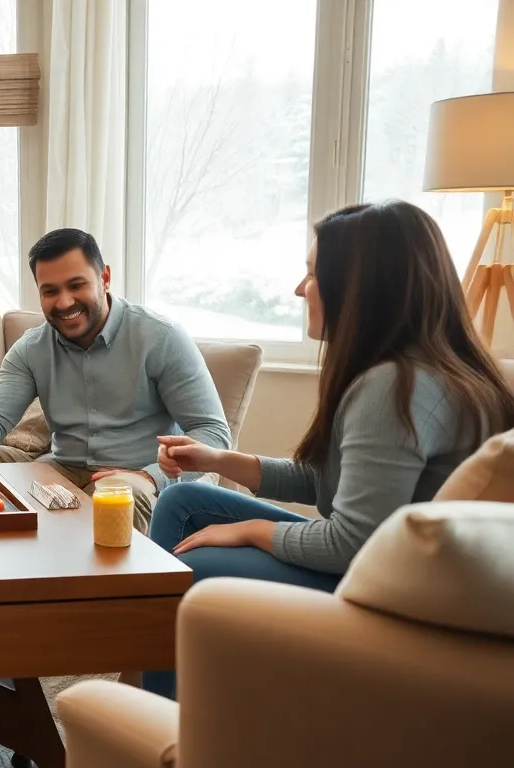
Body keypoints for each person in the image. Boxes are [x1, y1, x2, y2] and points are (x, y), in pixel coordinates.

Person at [140, 200, 514, 700]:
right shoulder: (438, 371)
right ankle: (159, 684)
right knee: (182, 502)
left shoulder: (393, 387)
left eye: (313, 274)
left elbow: (351, 543)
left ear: (360, 287)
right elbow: (330, 482)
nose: (300, 289)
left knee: (184, 577)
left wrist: (251, 531)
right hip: (391, 563)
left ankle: (164, 703)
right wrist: (215, 459)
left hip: (379, 588)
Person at [0, 228, 231, 533]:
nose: (64, 302)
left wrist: (153, 476)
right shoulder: (32, 347)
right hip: (61, 469)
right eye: (50, 291)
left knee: (118, 495)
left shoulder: (161, 337)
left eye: (76, 285)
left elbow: (214, 434)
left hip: (138, 475)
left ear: (104, 278)